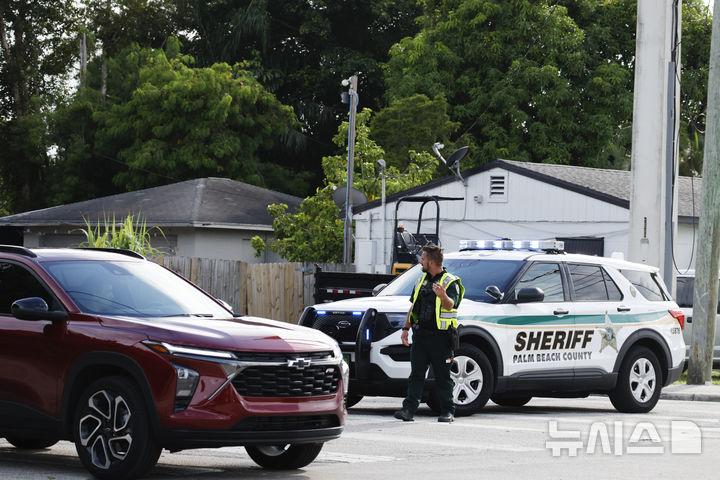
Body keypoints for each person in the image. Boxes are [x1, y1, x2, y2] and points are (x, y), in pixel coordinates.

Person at [394, 244, 464, 423]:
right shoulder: (421, 280)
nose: (421, 262)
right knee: (416, 375)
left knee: (443, 377)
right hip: (420, 336)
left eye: (423, 259)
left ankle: (448, 411)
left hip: (441, 338)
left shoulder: (450, 282)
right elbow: (413, 306)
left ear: (431, 262)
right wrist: (405, 329)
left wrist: (442, 296)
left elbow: (451, 305)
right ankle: (408, 410)